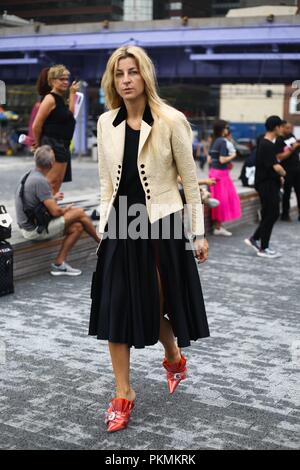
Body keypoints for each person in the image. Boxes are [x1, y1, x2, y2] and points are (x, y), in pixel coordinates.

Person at [89, 45, 210, 433]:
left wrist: (199, 232)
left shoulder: (171, 120)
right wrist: (105, 228)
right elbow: (106, 184)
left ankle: (173, 356)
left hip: (163, 224)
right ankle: (124, 393)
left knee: (155, 301)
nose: (126, 80)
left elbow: (190, 183)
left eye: (133, 72)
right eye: (119, 73)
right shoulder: (106, 122)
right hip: (123, 225)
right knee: (115, 305)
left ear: (145, 76)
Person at [15, 145, 100, 276]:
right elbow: (56, 212)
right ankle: (102, 244)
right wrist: (67, 209)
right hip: (34, 230)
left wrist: (52, 197)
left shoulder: (28, 175)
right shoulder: (41, 181)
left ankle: (59, 263)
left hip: (27, 225)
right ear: (51, 164)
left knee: (77, 227)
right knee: (79, 213)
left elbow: (34, 201)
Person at [32, 64, 80, 194]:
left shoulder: (60, 99)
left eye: (66, 79)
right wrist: (39, 145)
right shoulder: (49, 99)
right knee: (50, 183)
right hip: (52, 144)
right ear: (52, 81)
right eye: (61, 79)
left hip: (63, 145)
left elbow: (70, 115)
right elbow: (36, 125)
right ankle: (44, 212)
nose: (66, 82)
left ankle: (52, 211)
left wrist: (72, 93)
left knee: (57, 183)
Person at [244, 116, 286, 259]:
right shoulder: (267, 144)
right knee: (272, 214)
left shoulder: (266, 143)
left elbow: (270, 165)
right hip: (266, 185)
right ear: (276, 127)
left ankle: (255, 239)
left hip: (269, 183)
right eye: (281, 126)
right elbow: (276, 166)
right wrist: (283, 173)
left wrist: (279, 175)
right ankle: (263, 247)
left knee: (271, 214)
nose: (282, 129)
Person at [208, 120, 241, 236]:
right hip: (221, 175)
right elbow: (222, 159)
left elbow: (210, 160)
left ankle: (218, 226)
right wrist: (233, 155)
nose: (228, 130)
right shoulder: (222, 141)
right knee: (222, 201)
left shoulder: (214, 141)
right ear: (223, 129)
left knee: (217, 200)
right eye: (226, 127)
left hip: (213, 173)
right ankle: (218, 227)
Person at [275, 121, 300, 221]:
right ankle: (285, 214)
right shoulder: (279, 140)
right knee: (287, 193)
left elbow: (296, 147)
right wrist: (292, 149)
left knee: (299, 192)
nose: (289, 130)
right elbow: (279, 157)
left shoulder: (291, 136)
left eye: (290, 128)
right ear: (281, 128)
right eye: (287, 128)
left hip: (297, 169)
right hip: (287, 170)